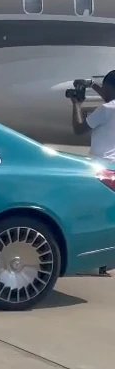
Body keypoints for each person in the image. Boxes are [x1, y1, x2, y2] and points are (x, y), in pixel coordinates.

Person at [70, 70, 115, 276]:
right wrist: (90, 84)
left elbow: (79, 128)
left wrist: (76, 104)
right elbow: (108, 94)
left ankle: (90, 259)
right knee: (109, 215)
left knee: (90, 214)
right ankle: (105, 263)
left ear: (109, 88)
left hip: (101, 167)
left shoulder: (106, 109)